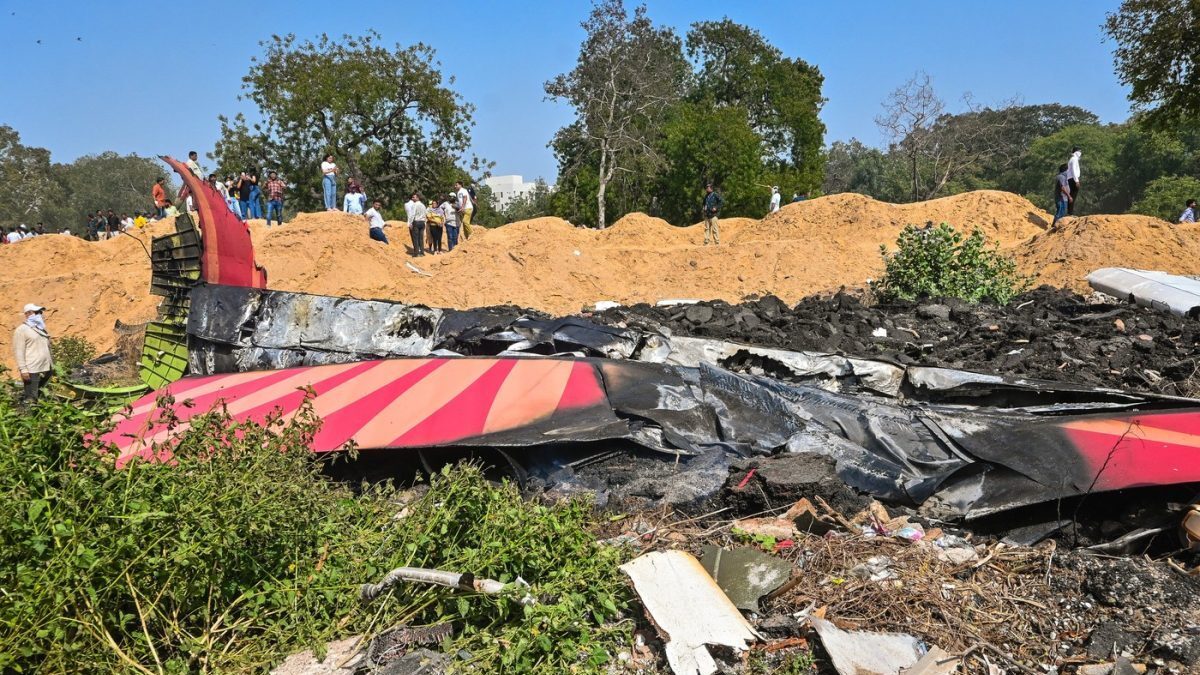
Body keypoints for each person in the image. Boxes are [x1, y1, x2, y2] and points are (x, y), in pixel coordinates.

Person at [13, 303, 52, 402]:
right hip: (32, 370)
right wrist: (23, 369)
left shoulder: (40, 329)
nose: (40, 314)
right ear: (28, 314)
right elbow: (19, 351)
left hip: (46, 368)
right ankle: (28, 411)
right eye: (37, 312)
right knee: (31, 398)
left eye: (40, 312)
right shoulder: (22, 330)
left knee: (42, 396)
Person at [404, 192, 428, 257]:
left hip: (416, 222)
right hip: (422, 222)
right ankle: (422, 252)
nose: (412, 198)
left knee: (415, 238)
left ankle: (416, 253)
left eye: (414, 197)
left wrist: (410, 223)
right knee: (421, 238)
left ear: (418, 198)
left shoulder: (415, 205)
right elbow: (425, 214)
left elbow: (412, 214)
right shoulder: (423, 205)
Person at [1066, 146, 1082, 215]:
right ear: (1076, 152)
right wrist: (1076, 180)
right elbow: (1073, 171)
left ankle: (1070, 212)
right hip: (1073, 179)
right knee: (1073, 196)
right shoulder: (1074, 159)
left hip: (1071, 178)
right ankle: (1070, 213)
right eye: (1079, 151)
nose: (1080, 153)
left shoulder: (1073, 159)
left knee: (1072, 195)